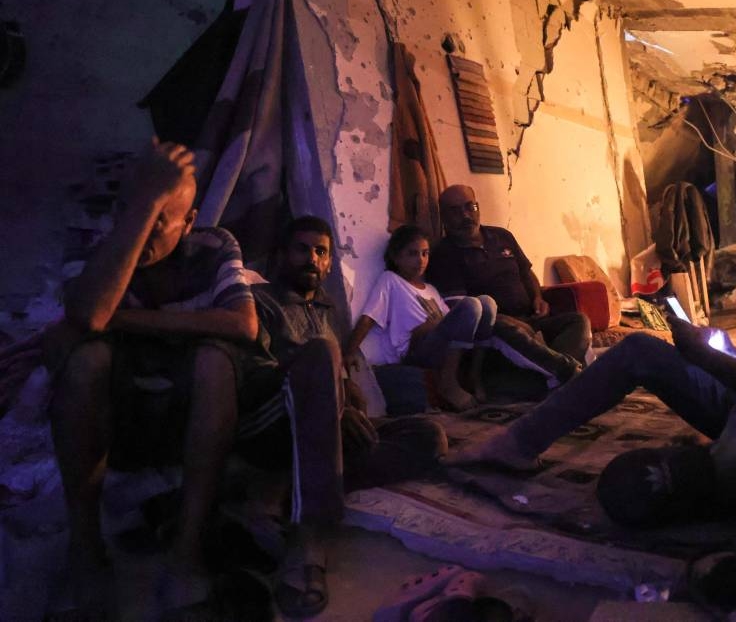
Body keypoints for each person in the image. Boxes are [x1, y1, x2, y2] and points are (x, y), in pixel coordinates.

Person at [446, 145, 736, 525]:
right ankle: (517, 444)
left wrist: (711, 357)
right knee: (642, 344)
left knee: (631, 485)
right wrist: (725, 350)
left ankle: (524, 445)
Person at [47, 138, 259, 617]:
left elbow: (243, 324)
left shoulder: (215, 244)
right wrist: (142, 207)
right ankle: (85, 549)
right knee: (84, 361)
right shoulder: (96, 237)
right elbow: (88, 310)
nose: (141, 232)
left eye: (160, 218)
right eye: (131, 210)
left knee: (216, 361)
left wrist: (116, 320)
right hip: (112, 421)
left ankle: (187, 549)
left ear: (189, 223)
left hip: (186, 421)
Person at [245, 217, 447, 617]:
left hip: (324, 431)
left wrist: (347, 406)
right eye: (302, 249)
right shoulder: (260, 302)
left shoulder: (325, 309)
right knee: (321, 352)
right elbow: (256, 381)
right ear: (283, 255)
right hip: (276, 425)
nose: (312, 259)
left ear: (329, 263)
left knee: (430, 436)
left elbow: (340, 378)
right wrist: (331, 405)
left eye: (321, 252)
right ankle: (309, 540)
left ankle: (285, 491)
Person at [426, 184, 591, 366]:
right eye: (455, 211)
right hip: (495, 329)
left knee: (578, 320)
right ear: (444, 217)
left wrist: (538, 298)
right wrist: (515, 323)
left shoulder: (502, 236)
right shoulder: (444, 254)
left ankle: (557, 368)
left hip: (532, 318)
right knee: (507, 331)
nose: (465, 216)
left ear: (478, 207)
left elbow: (526, 272)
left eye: (470, 207)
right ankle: (565, 370)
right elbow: (464, 310)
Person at [344, 224, 497, 410]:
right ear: (396, 256)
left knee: (487, 303)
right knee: (471, 305)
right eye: (412, 254)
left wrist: (436, 325)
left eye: (425, 253)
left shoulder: (431, 290)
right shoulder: (390, 280)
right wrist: (350, 350)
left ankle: (474, 375)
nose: (421, 260)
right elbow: (369, 317)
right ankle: (448, 383)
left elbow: (448, 322)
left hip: (442, 345)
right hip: (417, 348)